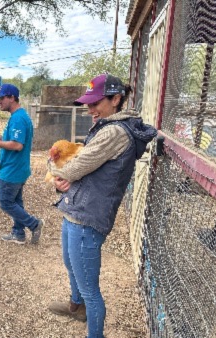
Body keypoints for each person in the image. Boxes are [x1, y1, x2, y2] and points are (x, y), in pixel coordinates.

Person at [46, 74, 157, 338]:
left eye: (96, 103)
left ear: (116, 99)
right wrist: (64, 181)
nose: (90, 109)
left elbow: (76, 168)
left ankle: (94, 333)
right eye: (88, 103)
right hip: (76, 208)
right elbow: (80, 170)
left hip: (87, 217)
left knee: (91, 290)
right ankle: (75, 306)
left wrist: (56, 171)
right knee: (71, 265)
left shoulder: (115, 132)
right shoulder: (108, 126)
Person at [0, 84, 43, 245]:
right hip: (18, 168)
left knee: (6, 203)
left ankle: (34, 224)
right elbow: (14, 140)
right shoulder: (18, 116)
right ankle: (18, 233)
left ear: (12, 98)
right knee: (16, 203)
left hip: (12, 170)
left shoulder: (18, 118)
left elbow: (17, 145)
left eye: (2, 98)